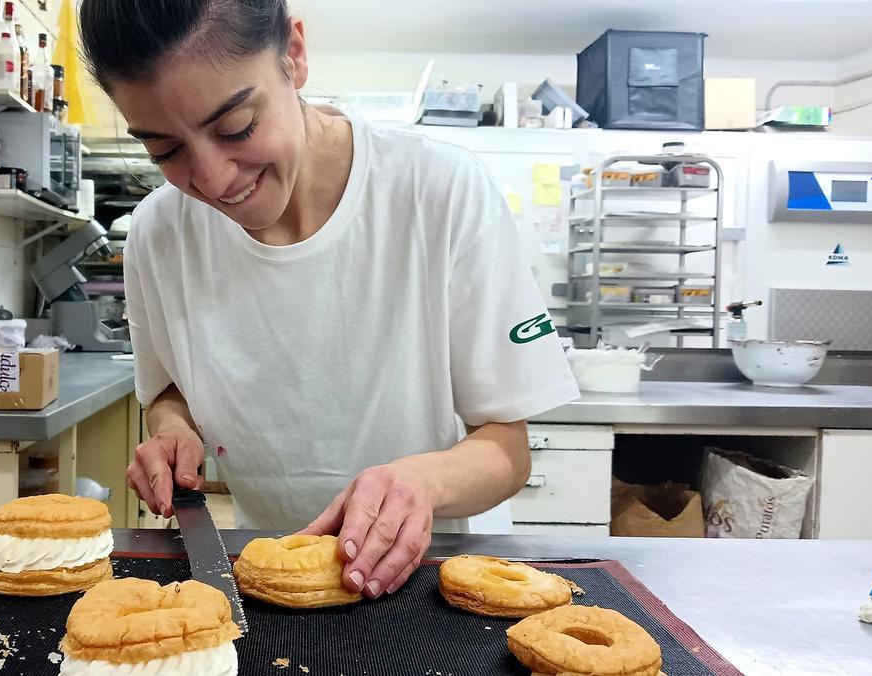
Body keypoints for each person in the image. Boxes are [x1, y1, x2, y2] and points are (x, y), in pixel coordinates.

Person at [78, 0, 579, 600]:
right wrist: (173, 431)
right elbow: (167, 391)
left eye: (236, 129)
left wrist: (423, 481)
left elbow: (507, 449)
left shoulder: (438, 193)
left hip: (435, 583)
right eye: (165, 151)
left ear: (294, 54)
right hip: (270, 578)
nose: (210, 180)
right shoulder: (159, 233)